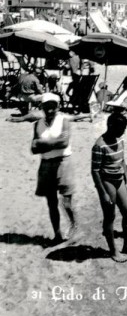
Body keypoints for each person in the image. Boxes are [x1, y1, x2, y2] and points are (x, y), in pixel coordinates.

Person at [91, 112, 127, 262]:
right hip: (107, 182)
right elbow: (95, 171)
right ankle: (113, 250)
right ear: (111, 126)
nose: (123, 131)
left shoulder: (120, 140)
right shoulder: (99, 145)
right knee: (110, 216)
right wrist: (103, 193)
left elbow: (123, 162)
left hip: (119, 181)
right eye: (121, 128)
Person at [31, 93, 77, 244]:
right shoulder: (38, 124)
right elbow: (33, 149)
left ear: (58, 106)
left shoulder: (64, 120)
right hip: (45, 165)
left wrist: (43, 144)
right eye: (46, 106)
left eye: (53, 106)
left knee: (66, 202)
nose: (50, 109)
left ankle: (73, 224)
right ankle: (57, 234)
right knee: (51, 203)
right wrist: (52, 143)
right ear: (42, 107)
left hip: (63, 162)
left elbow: (64, 142)